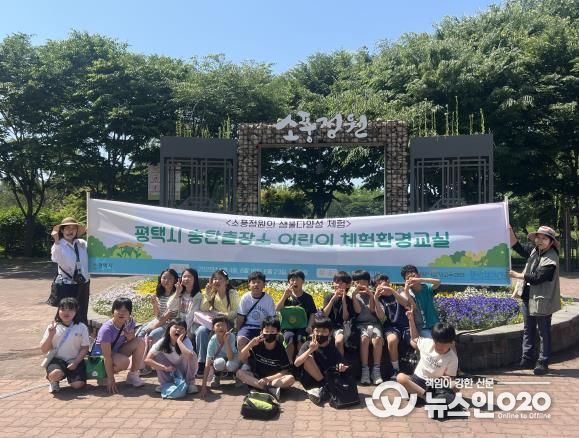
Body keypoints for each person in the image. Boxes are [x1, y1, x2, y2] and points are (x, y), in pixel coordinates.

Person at [509, 225, 561, 375]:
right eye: (538, 238)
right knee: (528, 329)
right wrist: (509, 230)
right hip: (528, 297)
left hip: (542, 300)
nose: (540, 241)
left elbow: (538, 277)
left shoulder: (551, 257)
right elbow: (518, 247)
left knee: (544, 332)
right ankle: (527, 359)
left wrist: (517, 275)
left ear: (551, 242)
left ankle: (543, 362)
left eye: (544, 238)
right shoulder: (535, 251)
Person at [397, 307, 458, 402]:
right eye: (437, 343)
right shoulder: (427, 343)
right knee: (400, 377)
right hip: (417, 379)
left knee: (453, 387)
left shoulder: (452, 358)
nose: (439, 347)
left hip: (434, 384)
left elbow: (450, 377)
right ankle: (427, 398)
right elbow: (414, 338)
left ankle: (422, 396)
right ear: (433, 339)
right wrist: (411, 320)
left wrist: (447, 380)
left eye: (444, 345)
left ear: (451, 343)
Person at [236, 317, 295, 401]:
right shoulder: (256, 345)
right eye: (266, 331)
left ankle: (260, 388)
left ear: (278, 333)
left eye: (272, 331)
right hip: (257, 378)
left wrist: (268, 379)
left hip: (273, 380)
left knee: (290, 379)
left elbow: (284, 371)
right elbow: (241, 357)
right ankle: (269, 390)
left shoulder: (280, 349)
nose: (269, 334)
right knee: (239, 373)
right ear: (261, 332)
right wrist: (250, 344)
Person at [294, 316, 350, 405]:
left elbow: (341, 364)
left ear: (330, 333)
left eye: (324, 331)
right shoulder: (307, 344)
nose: (320, 334)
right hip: (310, 380)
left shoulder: (332, 347)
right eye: (317, 330)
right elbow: (296, 363)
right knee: (308, 358)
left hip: (327, 378)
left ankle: (321, 391)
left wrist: (341, 367)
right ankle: (324, 388)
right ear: (313, 331)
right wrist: (310, 350)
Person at [95, 297, 146, 393]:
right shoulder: (106, 329)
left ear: (129, 313)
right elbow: (106, 356)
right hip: (102, 357)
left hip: (116, 351)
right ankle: (104, 375)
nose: (121, 313)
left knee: (140, 342)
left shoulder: (130, 322)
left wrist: (130, 337)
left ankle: (133, 376)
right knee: (124, 362)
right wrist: (111, 379)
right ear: (113, 311)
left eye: (125, 310)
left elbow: (132, 339)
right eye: (118, 310)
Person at [40, 297, 90, 393]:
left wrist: (76, 362)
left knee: (77, 385)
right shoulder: (53, 327)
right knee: (55, 374)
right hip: (57, 360)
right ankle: (53, 380)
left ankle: (71, 376)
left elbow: (85, 348)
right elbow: (44, 349)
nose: (66, 312)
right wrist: (50, 335)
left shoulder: (81, 327)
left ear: (76, 311)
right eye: (63, 309)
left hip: (75, 359)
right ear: (58, 311)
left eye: (70, 309)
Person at [196, 269, 239, 377]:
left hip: (228, 323)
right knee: (201, 331)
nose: (217, 281)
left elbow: (236, 312)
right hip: (214, 323)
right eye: (214, 279)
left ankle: (226, 365)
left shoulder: (232, 293)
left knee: (221, 333)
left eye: (220, 279)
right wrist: (207, 295)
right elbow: (203, 308)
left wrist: (222, 315)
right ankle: (202, 363)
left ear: (226, 281)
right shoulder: (212, 292)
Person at [50, 217, 90, 325]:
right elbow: (55, 258)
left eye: (73, 228)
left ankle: (81, 332)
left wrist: (92, 235)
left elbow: (94, 253)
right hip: (68, 284)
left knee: (82, 312)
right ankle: (60, 333)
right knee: (66, 312)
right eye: (67, 228)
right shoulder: (59, 245)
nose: (70, 231)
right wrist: (56, 240)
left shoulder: (82, 243)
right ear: (62, 230)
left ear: (77, 231)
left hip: (83, 283)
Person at [144, 319, 199, 395]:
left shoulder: (186, 341)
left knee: (192, 354)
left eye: (182, 328)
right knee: (157, 355)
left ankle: (190, 383)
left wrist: (179, 341)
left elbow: (190, 357)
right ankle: (165, 383)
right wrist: (164, 368)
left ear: (185, 332)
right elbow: (147, 360)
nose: (178, 330)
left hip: (184, 369)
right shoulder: (162, 341)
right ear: (168, 330)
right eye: (175, 327)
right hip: (169, 369)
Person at [373, 274, 411, 379]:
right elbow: (381, 316)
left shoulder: (400, 290)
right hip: (391, 326)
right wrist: (375, 298)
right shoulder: (380, 299)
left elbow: (405, 302)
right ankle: (396, 369)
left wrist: (392, 290)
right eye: (377, 284)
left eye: (381, 282)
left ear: (388, 281)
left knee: (415, 343)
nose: (380, 285)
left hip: (406, 325)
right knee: (392, 340)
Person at [276, 269, 317, 361]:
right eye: (292, 280)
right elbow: (277, 309)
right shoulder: (287, 296)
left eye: (297, 279)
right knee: (289, 337)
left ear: (303, 281)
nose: (294, 282)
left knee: (300, 338)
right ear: (288, 282)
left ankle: (300, 361)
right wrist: (284, 296)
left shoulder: (308, 297)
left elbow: (312, 313)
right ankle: (289, 363)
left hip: (303, 326)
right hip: (288, 327)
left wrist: (309, 326)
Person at [351, 269, 384, 385]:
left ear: (368, 282)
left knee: (377, 339)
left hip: (374, 324)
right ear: (354, 283)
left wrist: (371, 295)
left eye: (364, 281)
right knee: (364, 339)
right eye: (358, 282)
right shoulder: (353, 295)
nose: (361, 284)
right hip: (360, 325)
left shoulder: (374, 293)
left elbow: (372, 310)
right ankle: (365, 370)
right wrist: (354, 296)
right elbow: (358, 311)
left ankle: (376, 371)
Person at [200, 315, 240, 399]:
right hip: (220, 359)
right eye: (218, 325)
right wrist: (203, 387)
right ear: (213, 328)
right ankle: (217, 377)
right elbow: (207, 364)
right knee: (219, 363)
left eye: (223, 325)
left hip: (232, 358)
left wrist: (226, 340)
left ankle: (236, 376)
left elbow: (230, 357)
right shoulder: (212, 340)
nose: (221, 327)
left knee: (231, 365)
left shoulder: (231, 336)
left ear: (227, 327)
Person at [236, 271, 276, 351]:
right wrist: (238, 332)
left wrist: (266, 331)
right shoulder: (245, 298)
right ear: (249, 285)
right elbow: (240, 317)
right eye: (253, 282)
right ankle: (245, 359)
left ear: (264, 284)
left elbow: (272, 319)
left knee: (268, 342)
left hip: (263, 327)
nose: (256, 284)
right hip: (248, 326)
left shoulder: (268, 299)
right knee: (240, 340)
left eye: (259, 282)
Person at [400, 265, 441, 337]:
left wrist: (420, 280)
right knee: (432, 341)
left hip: (435, 324)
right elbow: (414, 308)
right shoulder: (408, 293)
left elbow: (438, 282)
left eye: (413, 276)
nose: (412, 279)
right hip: (422, 327)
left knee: (447, 340)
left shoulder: (427, 287)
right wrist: (406, 292)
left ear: (418, 275)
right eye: (408, 278)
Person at [322, 271, 354, 356]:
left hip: (341, 327)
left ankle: (340, 362)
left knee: (339, 341)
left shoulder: (349, 300)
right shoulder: (328, 297)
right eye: (336, 282)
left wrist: (343, 300)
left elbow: (345, 318)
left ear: (347, 285)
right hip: (328, 326)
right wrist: (333, 299)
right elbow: (324, 314)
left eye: (341, 283)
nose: (338, 285)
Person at [166, 268, 203, 339]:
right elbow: (170, 307)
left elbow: (191, 316)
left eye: (189, 276)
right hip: (177, 325)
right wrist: (177, 293)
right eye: (184, 276)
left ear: (195, 279)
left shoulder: (198, 296)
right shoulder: (180, 292)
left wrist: (183, 331)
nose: (186, 279)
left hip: (190, 328)